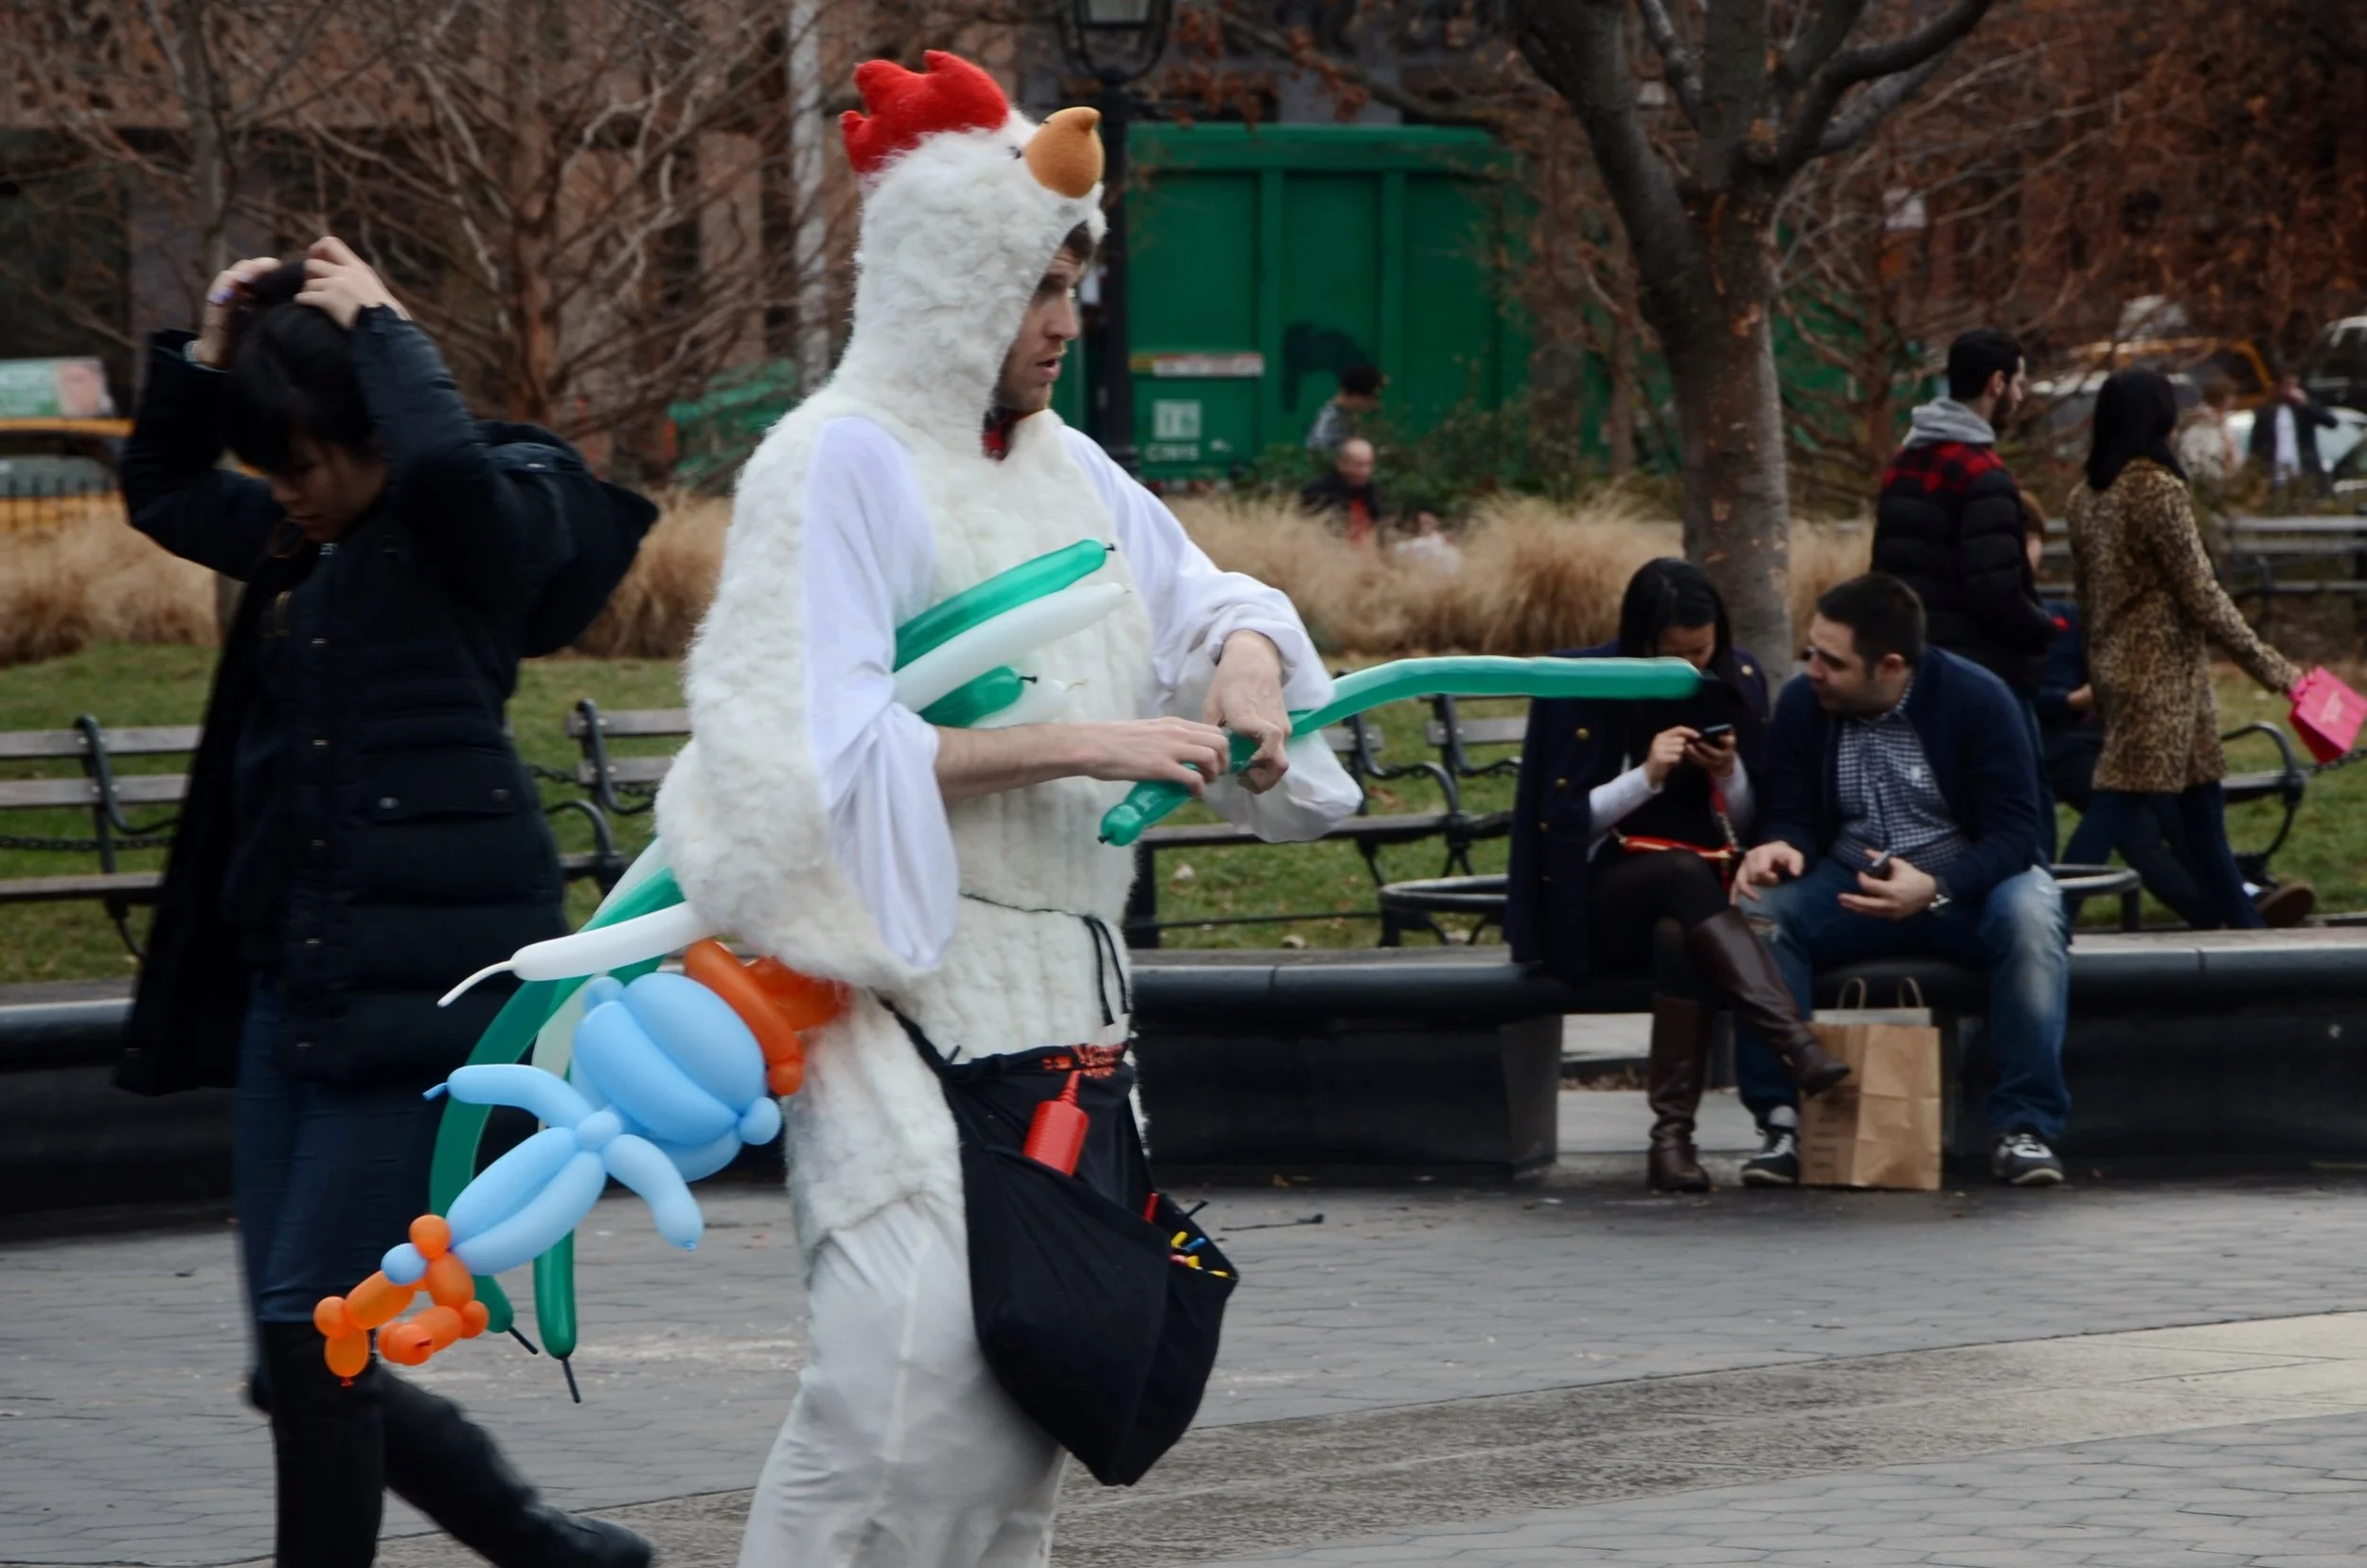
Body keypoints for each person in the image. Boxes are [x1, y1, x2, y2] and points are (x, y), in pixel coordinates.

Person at [650, 54, 1359, 1564]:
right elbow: (797, 756)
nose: (1062, 322)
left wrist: (1239, 661)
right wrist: (1076, 742)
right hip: (894, 999)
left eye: (1072, 289)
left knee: (1031, 1394)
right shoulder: (834, 463)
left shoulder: (1075, 472)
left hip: (1067, 1019)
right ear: (948, 285)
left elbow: (1210, 597)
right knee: (897, 1383)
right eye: (1035, 286)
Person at [115, 241, 657, 1564]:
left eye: (305, 461)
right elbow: (166, 487)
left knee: (318, 1335)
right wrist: (207, 352)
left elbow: (460, 478)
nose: (285, 491)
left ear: (377, 427)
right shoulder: (301, 541)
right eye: (274, 467)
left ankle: (532, 1543)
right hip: (295, 995)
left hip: (427, 1005)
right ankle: (542, 1543)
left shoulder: (473, 530)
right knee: (294, 1357)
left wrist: (387, 329)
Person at [1507, 560, 1849, 1192]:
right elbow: (1561, 829)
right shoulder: (1580, 681)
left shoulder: (1735, 675)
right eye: (1676, 655)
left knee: (1679, 936)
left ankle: (1672, 1143)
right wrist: (1648, 777)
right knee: (1681, 876)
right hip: (1595, 897)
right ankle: (1794, 1042)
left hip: (1697, 906)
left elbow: (1745, 823)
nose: (1695, 667)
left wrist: (1726, 771)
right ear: (1641, 645)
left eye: (1704, 649)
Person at [1733, 573, 2073, 1188]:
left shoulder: (1978, 700)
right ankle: (1783, 1122)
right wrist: (1778, 844)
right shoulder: (1807, 704)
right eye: (1812, 651)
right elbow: (1791, 812)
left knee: (2031, 911)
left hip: (1964, 885)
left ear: (1889, 667)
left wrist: (1937, 886)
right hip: (1847, 882)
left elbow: (2018, 836)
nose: (1812, 670)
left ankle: (2024, 1126)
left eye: (1831, 661)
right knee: (1760, 911)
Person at [2065, 368, 2307, 931]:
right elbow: (2202, 593)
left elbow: (2087, 599)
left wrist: (2099, 677)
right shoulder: (2155, 488)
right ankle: (2049, 920)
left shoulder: (2086, 496)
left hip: (2129, 673)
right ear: (2159, 417)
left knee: (2202, 811)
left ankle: (2248, 931)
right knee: (2116, 803)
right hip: (2161, 678)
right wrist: (2276, 669)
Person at [1872, 327, 2060, 856]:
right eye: (2019, 383)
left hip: (1915, 667)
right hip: (1988, 671)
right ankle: (2035, 916)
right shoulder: (1984, 474)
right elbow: (1995, 590)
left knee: (1943, 811)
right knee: (2023, 804)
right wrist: (2047, 630)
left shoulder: (1903, 463)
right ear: (1997, 383)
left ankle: (1946, 907)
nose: (2021, 396)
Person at [2248, 370, 2340, 498]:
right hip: (2275, 477)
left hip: (2304, 474)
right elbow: (2256, 444)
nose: (2289, 390)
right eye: (2286, 385)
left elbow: (2332, 422)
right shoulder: (2267, 411)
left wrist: (2306, 403)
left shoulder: (2303, 409)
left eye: (2293, 385)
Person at [1299, 435, 1385, 543]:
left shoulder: (1372, 490)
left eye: (1369, 464)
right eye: (1358, 465)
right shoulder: (1319, 492)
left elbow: (1378, 527)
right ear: (1341, 463)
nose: (1365, 471)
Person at [1305, 362, 1382, 453]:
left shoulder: (1347, 416)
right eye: (1370, 397)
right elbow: (1319, 452)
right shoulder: (1330, 423)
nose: (1373, 404)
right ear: (1355, 394)